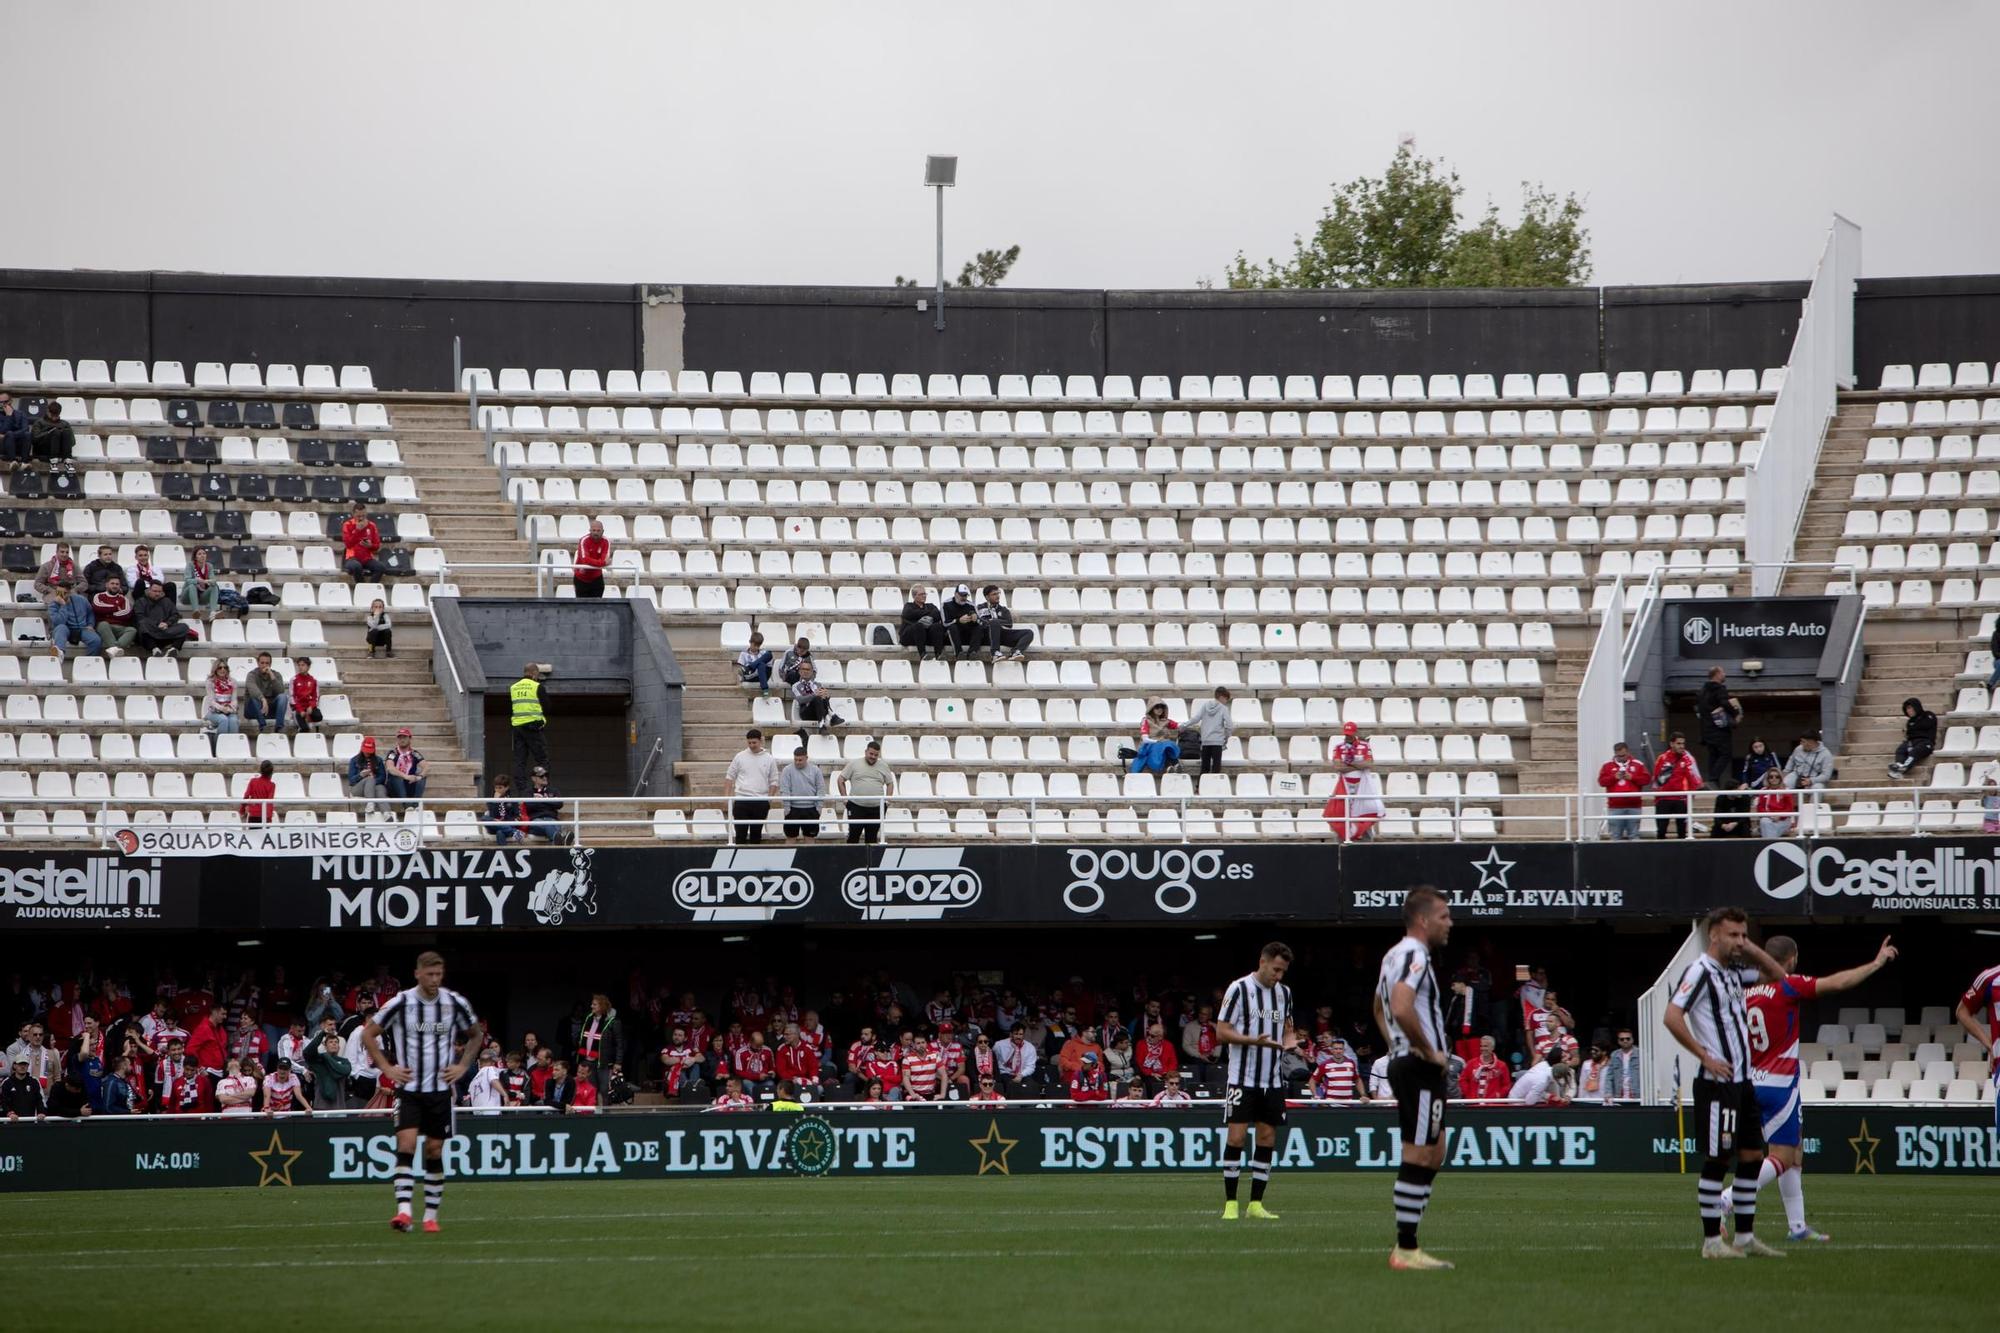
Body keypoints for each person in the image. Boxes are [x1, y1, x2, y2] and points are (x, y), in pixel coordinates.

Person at [1749, 934, 1897, 1243]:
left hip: (1753, 1081)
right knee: (1783, 1156)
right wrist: (1876, 962)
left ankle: (1798, 1227)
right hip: (1780, 1083)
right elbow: (1838, 983)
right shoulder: (1788, 985)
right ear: (1791, 959)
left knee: (1795, 1151)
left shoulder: (1748, 994)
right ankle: (1727, 1198)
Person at [1663, 905, 1786, 1259]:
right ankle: (1711, 1242)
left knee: (1751, 1157)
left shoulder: (1733, 973)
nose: (1740, 942)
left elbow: (1779, 978)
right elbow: (1672, 1015)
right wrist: (1704, 1055)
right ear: (1713, 934)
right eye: (1733, 935)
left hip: (1743, 1082)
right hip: (1718, 1083)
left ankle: (1745, 1238)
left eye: (1744, 935)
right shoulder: (1700, 971)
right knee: (1718, 1159)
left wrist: (1750, 948)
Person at [363, 952, 482, 1231]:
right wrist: (387, 1068)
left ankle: (430, 1216)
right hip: (409, 1089)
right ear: (417, 973)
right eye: (429, 974)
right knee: (406, 1145)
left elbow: (475, 1034)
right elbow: (369, 1033)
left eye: (439, 974)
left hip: (440, 1091)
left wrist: (463, 1066)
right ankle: (404, 1212)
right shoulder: (402, 1002)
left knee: (434, 1150)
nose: (434, 979)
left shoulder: (454, 1002)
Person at [1372, 888, 1455, 1270]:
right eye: (1444, 916)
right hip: (1419, 1066)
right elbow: (1402, 1005)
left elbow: (1379, 1006)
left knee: (1435, 1150)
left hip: (1410, 1063)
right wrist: (1423, 1049)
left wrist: (1395, 1045)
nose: (1449, 923)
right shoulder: (1415, 954)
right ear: (1423, 920)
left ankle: (1409, 1244)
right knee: (1419, 1152)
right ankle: (1406, 1248)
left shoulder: (1393, 954)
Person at [1216, 941, 1298, 1222]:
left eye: (1283, 971)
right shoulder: (1238, 988)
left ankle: (1256, 1204)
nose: (1279, 976)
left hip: (1272, 1080)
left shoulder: (1284, 993)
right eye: (1276, 969)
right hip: (1242, 1078)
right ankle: (1230, 1203)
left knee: (1267, 1138)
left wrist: (1290, 1043)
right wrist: (1252, 1040)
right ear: (1262, 962)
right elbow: (1222, 1032)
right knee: (1236, 1138)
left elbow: (1288, 1028)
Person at [1325, 720, 1384, 842]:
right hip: (1345, 785)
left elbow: (1368, 763)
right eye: (1346, 733)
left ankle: (1366, 840)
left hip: (1362, 785)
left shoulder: (1364, 746)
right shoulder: (1339, 747)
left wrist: (1349, 763)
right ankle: (1341, 841)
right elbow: (1338, 767)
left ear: (1355, 732)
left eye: (1350, 733)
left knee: (1365, 811)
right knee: (1342, 812)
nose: (1348, 736)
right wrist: (1358, 764)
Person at [722, 728, 780, 844]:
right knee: (740, 835)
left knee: (756, 835)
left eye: (754, 742)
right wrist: (726, 797)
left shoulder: (769, 759)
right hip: (741, 800)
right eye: (749, 743)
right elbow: (729, 777)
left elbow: (774, 781)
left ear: (761, 741)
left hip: (761, 801)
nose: (752, 745)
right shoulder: (740, 756)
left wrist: (768, 800)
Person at [837, 739, 896, 844]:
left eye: (876, 755)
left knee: (872, 838)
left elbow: (890, 783)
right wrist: (845, 799)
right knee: (853, 836)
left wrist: (887, 801)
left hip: (877, 808)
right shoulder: (854, 763)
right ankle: (851, 859)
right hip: (856, 806)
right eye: (871, 753)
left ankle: (870, 860)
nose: (873, 757)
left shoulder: (884, 765)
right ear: (866, 752)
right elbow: (841, 780)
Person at [1651, 732, 1702, 840]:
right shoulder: (1662, 758)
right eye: (1679, 743)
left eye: (1683, 743)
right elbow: (1655, 779)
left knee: (1682, 832)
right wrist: (1657, 798)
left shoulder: (1688, 759)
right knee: (1661, 831)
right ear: (1671, 744)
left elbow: (1694, 779)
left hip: (1681, 799)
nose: (1682, 746)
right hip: (1664, 799)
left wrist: (1690, 796)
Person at [1598, 741, 1650, 841]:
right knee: (1615, 837)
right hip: (1615, 807)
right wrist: (1614, 777)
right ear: (1615, 754)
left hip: (1634, 806)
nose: (1621, 758)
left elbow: (1646, 780)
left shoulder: (1638, 764)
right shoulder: (1607, 766)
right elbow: (1601, 782)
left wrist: (1632, 777)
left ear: (1628, 752)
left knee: (1634, 836)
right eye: (1619, 756)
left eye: (1623, 755)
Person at [1697, 666, 1740, 784]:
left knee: (1713, 755)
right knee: (1726, 754)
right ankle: (1713, 779)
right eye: (1723, 672)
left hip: (1706, 730)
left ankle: (1713, 781)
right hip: (1719, 729)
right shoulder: (1719, 689)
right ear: (1717, 674)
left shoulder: (1702, 691)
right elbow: (1724, 703)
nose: (1724, 675)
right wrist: (1735, 712)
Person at [509, 662, 550, 783]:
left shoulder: (514, 687)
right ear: (534, 673)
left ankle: (521, 789)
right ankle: (542, 787)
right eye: (537, 675)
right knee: (542, 759)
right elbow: (547, 707)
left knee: (520, 761)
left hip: (517, 728)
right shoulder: (537, 686)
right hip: (533, 727)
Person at [789, 660, 843, 744]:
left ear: (812, 672)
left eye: (808, 670)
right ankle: (832, 716)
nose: (805, 671)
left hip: (819, 712)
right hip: (806, 712)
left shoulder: (818, 684)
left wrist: (825, 696)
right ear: (799, 671)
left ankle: (822, 725)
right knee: (817, 697)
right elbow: (800, 700)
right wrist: (814, 695)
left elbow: (824, 700)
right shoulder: (795, 686)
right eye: (803, 669)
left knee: (822, 697)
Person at [134, 582, 193, 658]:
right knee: (142, 624)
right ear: (149, 590)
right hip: (150, 633)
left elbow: (175, 615)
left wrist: (167, 623)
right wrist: (156, 624)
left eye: (159, 592)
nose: (157, 594)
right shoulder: (141, 601)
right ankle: (154, 649)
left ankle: (174, 649)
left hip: (165, 631)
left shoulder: (167, 601)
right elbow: (140, 617)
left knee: (184, 627)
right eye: (155, 591)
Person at [1185, 687, 1235, 776]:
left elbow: (1196, 718)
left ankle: (1199, 788)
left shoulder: (1205, 706)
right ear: (1222, 697)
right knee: (1216, 767)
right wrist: (1227, 736)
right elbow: (1229, 725)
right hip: (1217, 741)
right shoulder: (1223, 708)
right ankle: (1213, 787)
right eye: (1226, 699)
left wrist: (1183, 725)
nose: (1226, 701)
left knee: (1204, 767)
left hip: (1205, 741)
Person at [778, 746, 825, 839]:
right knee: (790, 838)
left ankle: (809, 854)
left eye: (800, 760)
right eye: (795, 759)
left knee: (810, 838)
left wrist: (818, 809)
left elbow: (821, 789)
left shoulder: (815, 770)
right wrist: (787, 809)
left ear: (806, 758)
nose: (797, 762)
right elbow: (785, 789)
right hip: (793, 809)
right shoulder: (787, 770)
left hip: (811, 809)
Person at [975, 584, 1033, 660]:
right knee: (994, 623)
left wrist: (995, 621)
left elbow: (1009, 623)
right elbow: (979, 622)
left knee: (1028, 632)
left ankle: (1015, 652)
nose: (997, 596)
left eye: (998, 593)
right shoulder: (980, 608)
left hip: (1001, 635)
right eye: (994, 594)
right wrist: (992, 623)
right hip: (986, 636)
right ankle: (995, 653)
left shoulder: (1003, 610)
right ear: (987, 597)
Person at [46, 579, 102, 657]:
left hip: (81, 629)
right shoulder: (53, 604)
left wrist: (90, 624)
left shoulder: (81, 600)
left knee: (96, 640)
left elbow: (90, 613)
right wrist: (63, 605)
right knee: (61, 628)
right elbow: (58, 622)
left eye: (63, 593)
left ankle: (89, 662)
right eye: (58, 592)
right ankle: (59, 653)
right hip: (64, 629)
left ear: (69, 592)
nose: (60, 595)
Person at [1887, 696, 1937, 778]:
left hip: (1926, 743)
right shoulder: (1910, 722)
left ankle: (1903, 768)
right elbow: (1910, 735)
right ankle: (1899, 764)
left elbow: (1926, 725)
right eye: (1907, 709)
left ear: (1916, 707)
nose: (1909, 711)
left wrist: (1916, 725)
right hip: (1912, 742)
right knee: (1901, 749)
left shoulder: (1928, 715)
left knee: (1915, 752)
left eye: (1910, 708)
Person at [1130, 700, 1182, 775]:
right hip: (1150, 745)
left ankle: (1174, 766)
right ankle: (1172, 765)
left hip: (1164, 744)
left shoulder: (1165, 721)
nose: (1160, 709)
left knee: (1168, 745)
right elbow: (1145, 740)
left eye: (1162, 707)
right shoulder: (1146, 721)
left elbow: (1179, 726)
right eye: (1157, 707)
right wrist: (1157, 742)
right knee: (1164, 745)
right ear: (1151, 708)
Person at [241, 652, 286, 732]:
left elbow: (280, 691)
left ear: (270, 664)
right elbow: (253, 690)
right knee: (254, 699)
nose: (264, 665)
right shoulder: (251, 675)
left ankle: (279, 727)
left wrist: (272, 677)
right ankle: (263, 726)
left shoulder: (276, 675)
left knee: (283, 697)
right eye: (262, 663)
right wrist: (263, 699)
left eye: (267, 663)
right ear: (258, 663)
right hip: (254, 709)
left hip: (270, 709)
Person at [899, 585, 947, 660]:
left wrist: (928, 617)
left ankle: (938, 654)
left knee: (937, 626)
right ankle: (923, 654)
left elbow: (937, 614)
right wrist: (926, 614)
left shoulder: (930, 606)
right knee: (919, 626)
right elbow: (908, 613)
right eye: (921, 594)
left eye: (925, 594)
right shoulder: (908, 606)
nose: (924, 596)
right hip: (910, 637)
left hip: (926, 637)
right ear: (914, 596)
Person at [1457, 1035, 1512, 1100]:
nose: (1483, 1049)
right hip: (1473, 1104)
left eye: (1486, 1046)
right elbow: (1462, 1080)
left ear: (1492, 1047)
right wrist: (1469, 1094)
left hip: (1492, 1105)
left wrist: (1498, 1095)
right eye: (1481, 1046)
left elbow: (1507, 1085)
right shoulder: (1471, 1063)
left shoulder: (1501, 1066)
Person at [522, 767, 567, 843]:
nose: (545, 778)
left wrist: (542, 799)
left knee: (554, 825)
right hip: (535, 821)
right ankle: (562, 840)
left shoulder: (554, 790)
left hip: (552, 820)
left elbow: (559, 804)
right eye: (541, 776)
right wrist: (550, 801)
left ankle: (556, 842)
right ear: (534, 778)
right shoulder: (528, 792)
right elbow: (530, 805)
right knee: (550, 826)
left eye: (546, 775)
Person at [341, 501, 383, 581]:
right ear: (353, 515)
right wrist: (357, 530)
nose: (361, 518)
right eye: (358, 516)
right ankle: (361, 587)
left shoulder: (372, 525)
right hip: (351, 558)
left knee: (380, 567)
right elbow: (348, 544)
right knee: (357, 566)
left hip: (367, 558)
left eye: (363, 516)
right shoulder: (347, 525)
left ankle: (372, 587)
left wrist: (370, 546)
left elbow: (377, 546)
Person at [347, 736, 389, 814]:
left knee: (380, 789)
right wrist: (361, 775)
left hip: (374, 787)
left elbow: (383, 778)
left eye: (369, 751)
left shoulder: (378, 760)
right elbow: (351, 781)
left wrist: (372, 782)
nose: (367, 753)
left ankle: (387, 814)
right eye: (365, 750)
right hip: (358, 788)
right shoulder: (354, 760)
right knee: (370, 779)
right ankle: (370, 803)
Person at [384, 728, 428, 801]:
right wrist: (406, 776)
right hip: (395, 788)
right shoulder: (393, 753)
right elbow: (390, 768)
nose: (402, 740)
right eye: (400, 738)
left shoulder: (414, 753)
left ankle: (415, 804)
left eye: (404, 737)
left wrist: (419, 777)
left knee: (422, 778)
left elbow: (426, 767)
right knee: (396, 777)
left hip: (410, 785)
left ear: (410, 739)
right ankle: (407, 805)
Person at [30, 398, 75, 469]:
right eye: (52, 415)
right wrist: (49, 432)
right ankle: (53, 460)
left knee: (66, 432)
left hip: (59, 452)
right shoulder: (39, 423)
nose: (54, 418)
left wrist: (61, 438)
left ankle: (67, 460)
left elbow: (72, 442)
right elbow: (35, 439)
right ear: (48, 411)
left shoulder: (65, 424)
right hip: (43, 451)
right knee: (55, 432)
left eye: (56, 416)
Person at [995, 1025, 1038, 1097]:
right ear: (1011, 1034)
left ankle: (1032, 1107)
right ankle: (1013, 1107)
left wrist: (1021, 1075)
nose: (1018, 1037)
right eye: (1016, 1034)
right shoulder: (999, 1045)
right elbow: (994, 1060)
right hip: (1005, 1073)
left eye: (1021, 1034)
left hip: (1023, 1074)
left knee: (1032, 1085)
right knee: (1012, 1085)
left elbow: (1031, 1066)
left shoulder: (1030, 1047)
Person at [1753, 768, 1797, 837]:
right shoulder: (1763, 790)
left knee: (1767, 826)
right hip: (1768, 818)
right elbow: (1760, 808)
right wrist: (1770, 816)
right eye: (1771, 777)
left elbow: (1790, 808)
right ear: (1767, 779)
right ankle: (1771, 843)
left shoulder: (1786, 790)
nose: (1774, 779)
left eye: (1777, 777)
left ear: (1780, 778)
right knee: (1765, 821)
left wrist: (1779, 816)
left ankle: (1768, 844)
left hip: (1783, 820)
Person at [942, 583, 983, 659]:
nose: (963, 597)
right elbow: (945, 623)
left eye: (965, 595)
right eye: (961, 595)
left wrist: (975, 619)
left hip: (967, 633)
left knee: (978, 627)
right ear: (955, 594)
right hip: (952, 634)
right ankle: (958, 653)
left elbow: (981, 622)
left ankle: (972, 653)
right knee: (952, 627)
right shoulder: (946, 604)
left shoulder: (971, 605)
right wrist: (958, 620)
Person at [572, 518, 610, 597]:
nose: (596, 533)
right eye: (594, 530)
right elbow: (585, 559)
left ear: (603, 531)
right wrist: (602, 563)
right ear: (590, 531)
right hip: (581, 578)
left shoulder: (606, 541)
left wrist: (601, 562)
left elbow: (604, 558)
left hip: (597, 578)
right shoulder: (584, 540)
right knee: (581, 606)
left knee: (597, 605)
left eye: (598, 530)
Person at [179, 546, 221, 618]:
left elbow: (213, 580)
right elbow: (187, 580)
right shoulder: (190, 565)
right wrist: (197, 580)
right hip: (187, 596)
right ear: (195, 557)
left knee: (214, 586)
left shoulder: (209, 566)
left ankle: (213, 613)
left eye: (204, 553)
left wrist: (207, 581)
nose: (202, 555)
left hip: (201, 597)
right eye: (199, 554)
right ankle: (196, 612)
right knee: (192, 585)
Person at [204, 660, 241, 734]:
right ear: (215, 669)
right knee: (223, 719)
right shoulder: (210, 682)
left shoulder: (233, 682)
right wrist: (222, 708)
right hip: (214, 711)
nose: (223, 669)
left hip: (229, 710)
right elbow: (212, 701)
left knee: (233, 721)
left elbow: (234, 700)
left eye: (225, 667)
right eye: (220, 668)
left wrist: (229, 708)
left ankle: (233, 744)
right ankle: (220, 744)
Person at [1604, 1030, 1641, 1101]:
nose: (1625, 1041)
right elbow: (1609, 1076)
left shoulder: (1640, 1054)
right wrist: (1608, 1093)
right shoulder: (1614, 1055)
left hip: (1637, 1097)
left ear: (1632, 1040)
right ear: (1618, 1041)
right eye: (1622, 1039)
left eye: (1628, 1038)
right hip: (1619, 1097)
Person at [242, 759, 278, 823]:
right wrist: (269, 818)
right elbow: (269, 802)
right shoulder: (271, 785)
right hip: (264, 817)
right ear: (271, 773)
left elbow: (246, 796)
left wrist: (242, 809)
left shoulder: (253, 781)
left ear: (260, 771)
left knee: (253, 833)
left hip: (253, 815)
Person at [0, 391, 28, 469]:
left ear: (10, 401)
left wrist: (12, 435)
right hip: (4, 445)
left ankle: (24, 462)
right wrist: (8, 416)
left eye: (5, 402)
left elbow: (25, 429)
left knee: (27, 434)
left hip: (18, 443)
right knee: (9, 433)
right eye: (0, 402)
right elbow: (2, 431)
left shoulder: (20, 413)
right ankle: (12, 461)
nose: (2, 405)